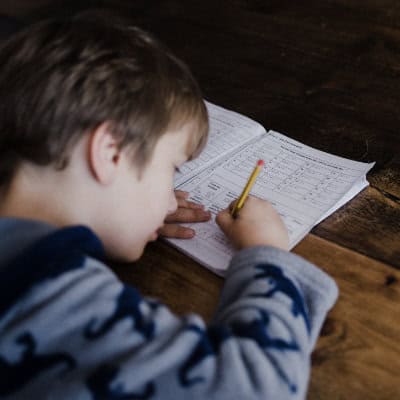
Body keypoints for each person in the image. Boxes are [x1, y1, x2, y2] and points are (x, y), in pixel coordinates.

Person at [0, 12, 338, 400]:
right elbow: (259, 388)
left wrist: (115, 215)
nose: (168, 199)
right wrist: (268, 256)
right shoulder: (48, 296)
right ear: (111, 153)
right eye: (172, 169)